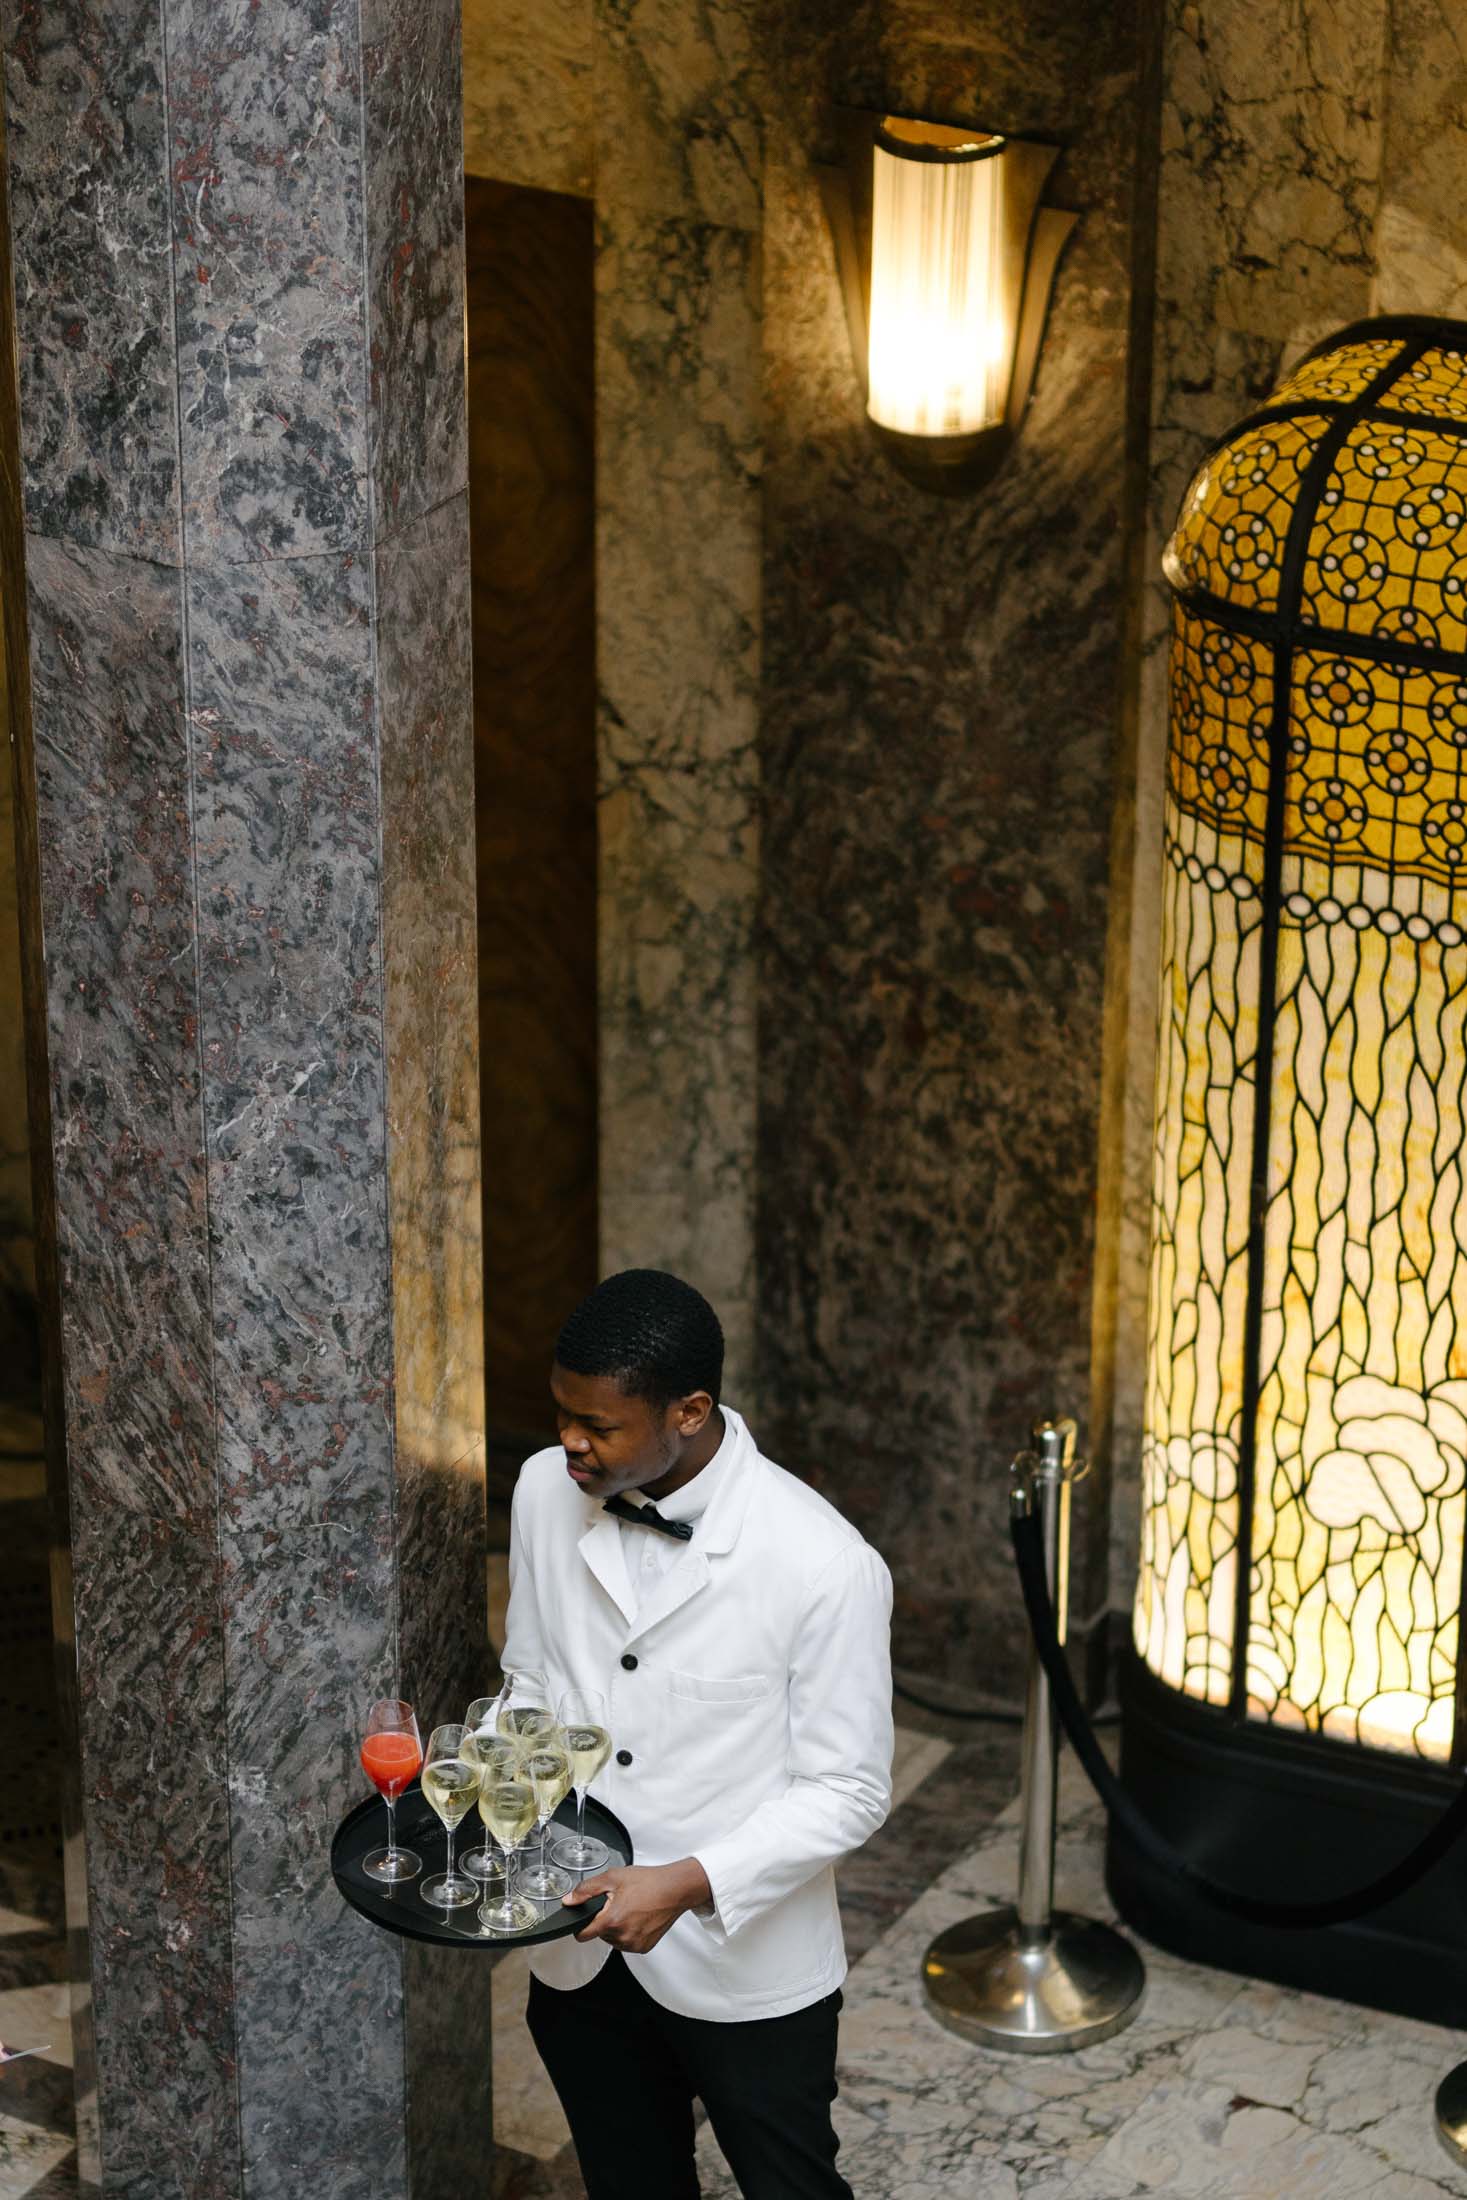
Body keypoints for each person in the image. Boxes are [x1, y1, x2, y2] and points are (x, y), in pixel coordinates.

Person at [502, 1267, 894, 2200]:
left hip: (741, 1964)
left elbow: (849, 1790)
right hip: (577, 1948)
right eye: (561, 1413)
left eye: (598, 1426)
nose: (569, 1442)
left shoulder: (824, 1563)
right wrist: (509, 1800)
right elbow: (529, 1677)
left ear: (688, 1412)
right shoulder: (540, 1489)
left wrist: (682, 1884)